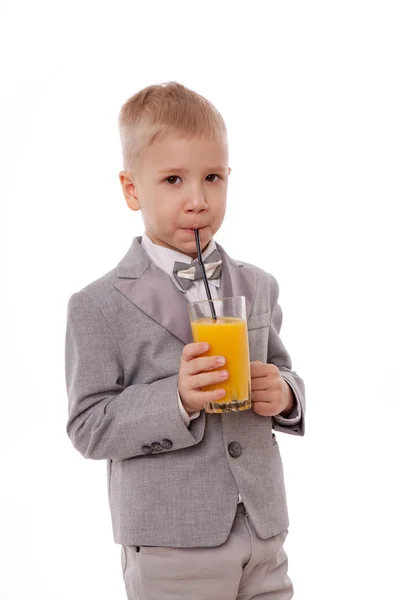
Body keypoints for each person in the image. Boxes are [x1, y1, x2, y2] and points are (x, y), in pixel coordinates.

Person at [65, 81, 306, 600]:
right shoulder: (96, 305)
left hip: (264, 534)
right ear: (132, 190)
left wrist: (283, 394)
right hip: (170, 541)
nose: (198, 200)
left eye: (212, 178)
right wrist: (175, 399)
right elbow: (88, 427)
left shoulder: (258, 285)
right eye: (173, 179)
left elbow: (285, 370)